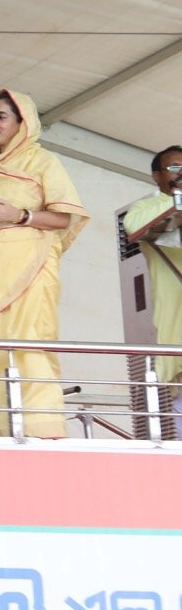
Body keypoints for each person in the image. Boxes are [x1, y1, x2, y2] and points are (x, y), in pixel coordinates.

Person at [0, 90, 89, 438]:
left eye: (2, 117)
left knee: (28, 342)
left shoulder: (43, 162)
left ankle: (38, 426)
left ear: (22, 124)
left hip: (29, 269)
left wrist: (20, 215)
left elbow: (64, 218)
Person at [125, 145, 182, 438]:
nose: (180, 173)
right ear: (156, 176)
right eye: (173, 168)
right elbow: (135, 228)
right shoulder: (145, 208)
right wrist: (177, 202)